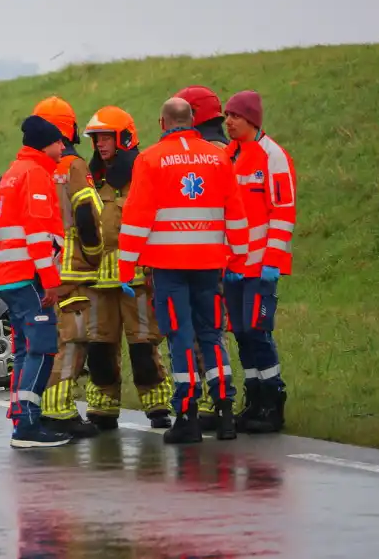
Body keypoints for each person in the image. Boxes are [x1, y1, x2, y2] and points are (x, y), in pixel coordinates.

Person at [118, 98, 248, 444]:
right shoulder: (218, 156)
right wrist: (240, 258)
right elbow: (235, 211)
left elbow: (136, 217)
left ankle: (187, 417)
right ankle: (224, 413)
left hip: (170, 268)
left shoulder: (150, 160)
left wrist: (125, 266)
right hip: (210, 265)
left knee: (179, 338)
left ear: (162, 122)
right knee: (212, 334)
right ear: (192, 120)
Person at [81, 106, 174, 431]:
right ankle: (102, 409)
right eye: (96, 139)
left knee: (142, 345)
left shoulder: (143, 173)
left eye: (106, 137)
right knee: (100, 347)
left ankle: (158, 405)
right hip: (97, 279)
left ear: (124, 138)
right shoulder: (91, 178)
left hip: (135, 276)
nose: (101, 144)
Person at [0, 114, 75, 449]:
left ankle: (21, 417)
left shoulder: (12, 173)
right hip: (29, 277)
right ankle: (28, 424)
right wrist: (51, 280)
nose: (62, 148)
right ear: (47, 143)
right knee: (41, 347)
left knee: (26, 349)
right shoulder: (37, 175)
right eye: (59, 142)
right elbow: (39, 236)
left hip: (9, 277)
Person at [27, 96, 104, 438]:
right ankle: (59, 410)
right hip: (70, 269)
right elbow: (88, 212)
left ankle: (45, 406)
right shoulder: (74, 166)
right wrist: (94, 253)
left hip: (42, 267)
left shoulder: (32, 168)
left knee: (49, 339)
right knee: (72, 340)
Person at [223, 90, 296, 433]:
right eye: (226, 116)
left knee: (258, 332)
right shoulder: (229, 154)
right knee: (240, 333)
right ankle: (254, 401)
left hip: (259, 268)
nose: (228, 122)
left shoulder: (273, 156)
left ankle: (273, 402)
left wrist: (272, 263)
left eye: (234, 116)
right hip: (234, 268)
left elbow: (282, 214)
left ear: (251, 119)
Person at [174, 84, 232, 429]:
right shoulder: (228, 150)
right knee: (214, 334)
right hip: (222, 257)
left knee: (198, 335)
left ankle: (206, 403)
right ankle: (220, 401)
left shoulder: (200, 154)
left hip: (197, 260)